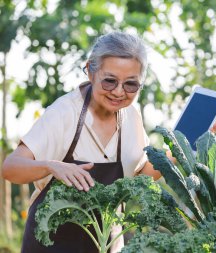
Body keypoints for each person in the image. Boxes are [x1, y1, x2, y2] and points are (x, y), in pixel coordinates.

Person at [1, 31, 163, 253]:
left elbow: (141, 175)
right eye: (109, 81)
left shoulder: (131, 117)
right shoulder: (65, 112)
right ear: (90, 71)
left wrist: (181, 150)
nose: (118, 92)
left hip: (106, 244)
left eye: (131, 85)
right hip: (52, 244)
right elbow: (11, 168)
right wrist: (52, 166)